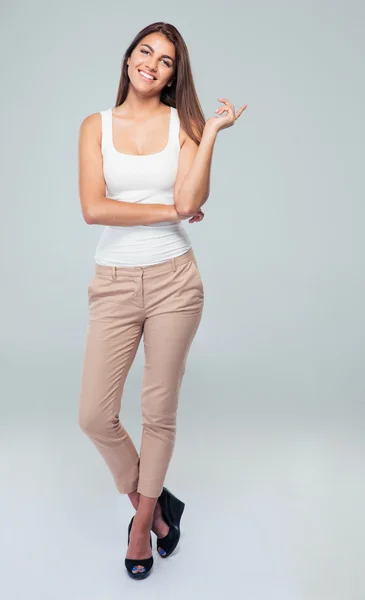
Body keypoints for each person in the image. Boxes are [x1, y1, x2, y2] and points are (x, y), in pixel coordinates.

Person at [77, 21, 247, 580]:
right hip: (115, 280)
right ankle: (157, 511)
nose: (153, 63)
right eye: (146, 51)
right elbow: (95, 208)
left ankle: (143, 524)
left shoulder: (184, 124)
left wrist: (214, 132)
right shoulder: (95, 126)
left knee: (157, 412)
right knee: (96, 416)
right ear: (129, 59)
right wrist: (168, 212)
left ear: (175, 74)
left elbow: (191, 197)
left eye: (167, 60)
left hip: (175, 279)